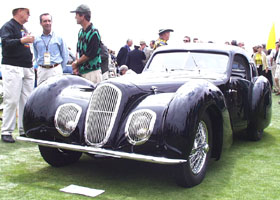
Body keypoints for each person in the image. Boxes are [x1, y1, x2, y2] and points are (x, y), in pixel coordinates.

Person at [0, 6, 35, 143]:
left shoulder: (23, 29)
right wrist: (22, 41)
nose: (29, 15)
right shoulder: (8, 26)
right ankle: (6, 131)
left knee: (26, 101)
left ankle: (23, 129)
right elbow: (5, 43)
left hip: (26, 67)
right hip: (13, 66)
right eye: (27, 12)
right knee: (12, 99)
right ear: (19, 11)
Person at [33, 13, 68, 85]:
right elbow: (36, 55)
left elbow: (65, 55)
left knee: (57, 93)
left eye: (49, 21)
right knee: (41, 93)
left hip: (55, 69)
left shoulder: (59, 38)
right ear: (41, 23)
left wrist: (60, 68)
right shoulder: (36, 39)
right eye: (45, 21)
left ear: (52, 22)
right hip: (42, 70)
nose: (47, 23)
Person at [71, 4, 102, 83]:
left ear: (82, 16)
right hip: (82, 72)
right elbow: (78, 50)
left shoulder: (94, 33)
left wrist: (76, 63)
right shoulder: (81, 32)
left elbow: (90, 54)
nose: (75, 17)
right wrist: (76, 66)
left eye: (77, 15)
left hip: (92, 72)